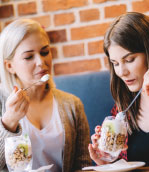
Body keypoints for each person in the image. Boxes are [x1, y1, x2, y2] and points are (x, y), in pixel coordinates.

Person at [88, 12, 149, 166]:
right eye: (115, 64)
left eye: (129, 60)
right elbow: (121, 165)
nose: (122, 72)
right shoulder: (122, 107)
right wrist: (105, 162)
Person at [0, 19, 91, 172]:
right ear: (10, 66)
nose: (41, 62)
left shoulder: (73, 105)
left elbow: (83, 165)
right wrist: (9, 122)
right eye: (29, 57)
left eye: (44, 52)